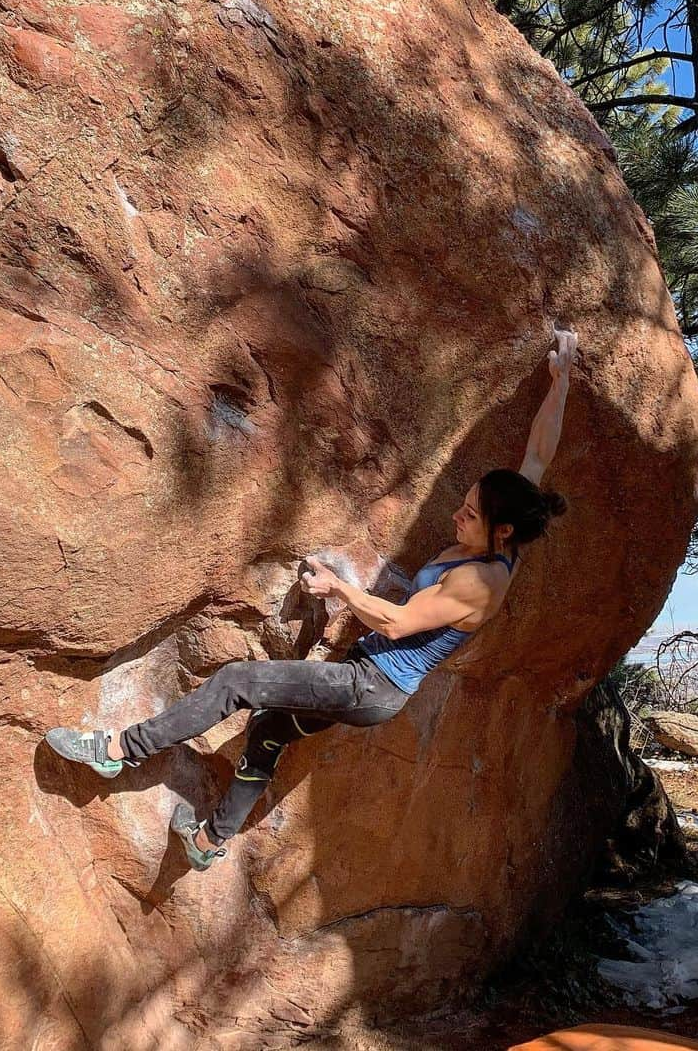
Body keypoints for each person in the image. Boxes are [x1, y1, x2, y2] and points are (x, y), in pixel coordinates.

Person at [46, 323, 578, 870]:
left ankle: (115, 753)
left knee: (236, 683)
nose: (457, 515)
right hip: (370, 684)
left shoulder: (482, 580)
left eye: (470, 514)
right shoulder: (510, 530)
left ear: (503, 531)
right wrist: (560, 379)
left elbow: (396, 624)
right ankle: (208, 843)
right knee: (270, 727)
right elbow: (538, 454)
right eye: (464, 504)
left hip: (368, 686)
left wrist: (338, 587)